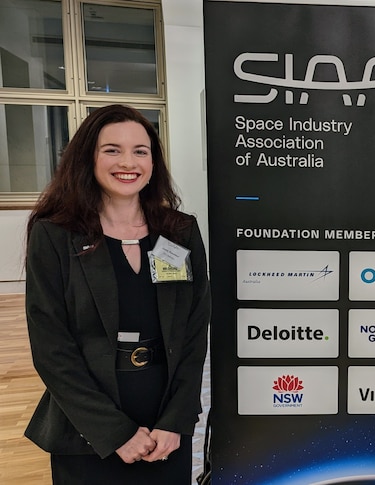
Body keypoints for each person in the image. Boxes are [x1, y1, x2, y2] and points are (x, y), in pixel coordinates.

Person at [24, 104, 211, 484]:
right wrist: (114, 432)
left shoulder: (179, 231)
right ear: (87, 158)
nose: (128, 162)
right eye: (112, 150)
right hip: (87, 427)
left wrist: (175, 421)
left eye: (140, 151)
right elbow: (51, 347)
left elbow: (194, 331)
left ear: (153, 162)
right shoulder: (55, 235)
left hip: (165, 424)